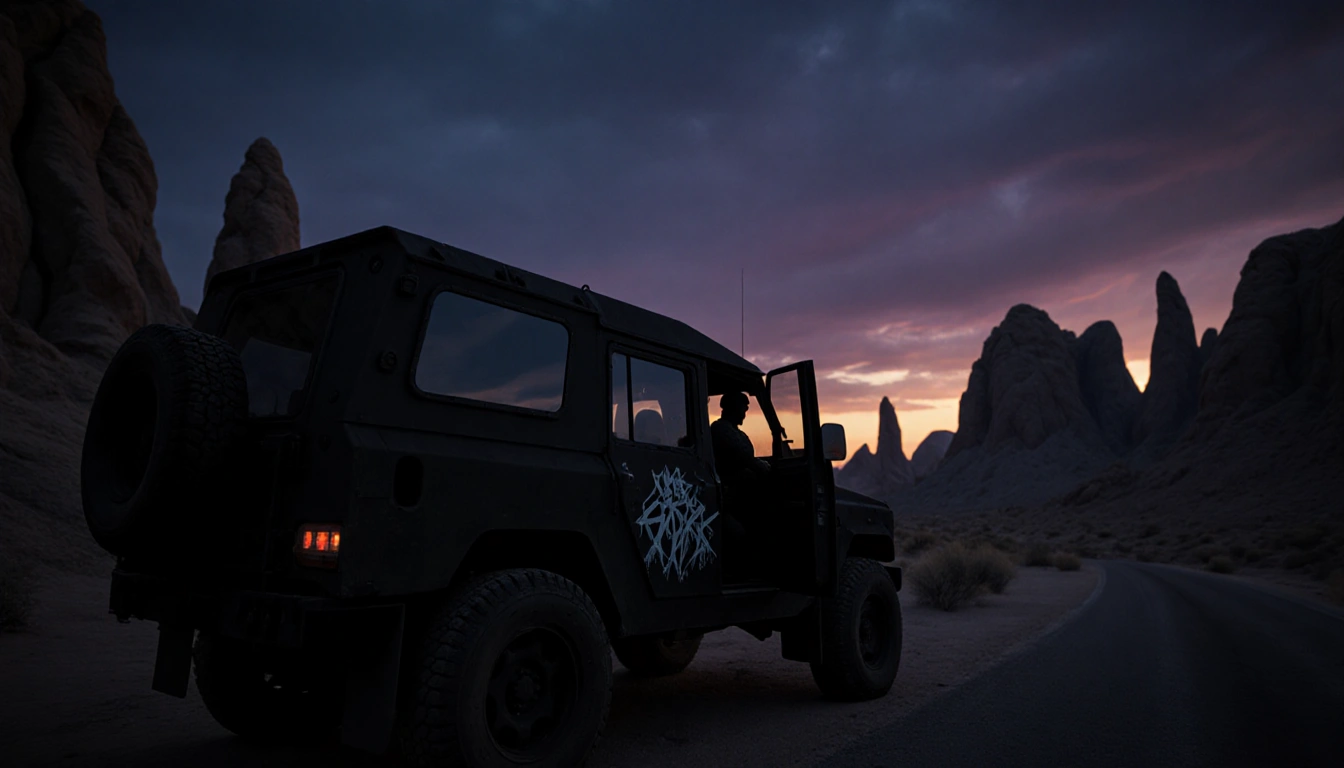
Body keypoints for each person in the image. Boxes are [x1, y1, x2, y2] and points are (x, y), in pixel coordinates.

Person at [710, 392, 772, 482]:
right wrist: (759, 464)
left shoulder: (736, 432)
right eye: (742, 410)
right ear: (733, 409)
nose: (744, 415)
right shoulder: (720, 429)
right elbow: (740, 456)